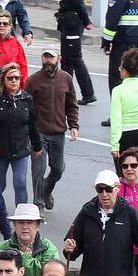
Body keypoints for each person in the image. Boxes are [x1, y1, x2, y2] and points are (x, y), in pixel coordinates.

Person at [25, 45, 80, 210]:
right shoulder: (33, 80)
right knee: (38, 170)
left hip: (58, 133)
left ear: (59, 59)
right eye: (45, 57)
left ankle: (46, 191)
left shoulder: (66, 78)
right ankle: (38, 206)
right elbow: (25, 107)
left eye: (51, 57)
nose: (48, 60)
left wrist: (73, 125)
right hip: (38, 133)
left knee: (57, 169)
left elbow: (72, 104)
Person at [0, 63, 40, 207]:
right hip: (0, 150)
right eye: (10, 78)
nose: (14, 81)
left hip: (21, 150)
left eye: (17, 78)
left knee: (20, 182)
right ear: (4, 80)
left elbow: (32, 124)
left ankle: (22, 214)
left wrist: (37, 146)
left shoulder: (26, 99)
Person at [51, 0, 95, 104]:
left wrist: (86, 20)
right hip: (69, 24)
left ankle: (88, 93)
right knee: (67, 60)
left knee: (75, 58)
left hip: (72, 24)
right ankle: (64, 94)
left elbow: (78, 3)